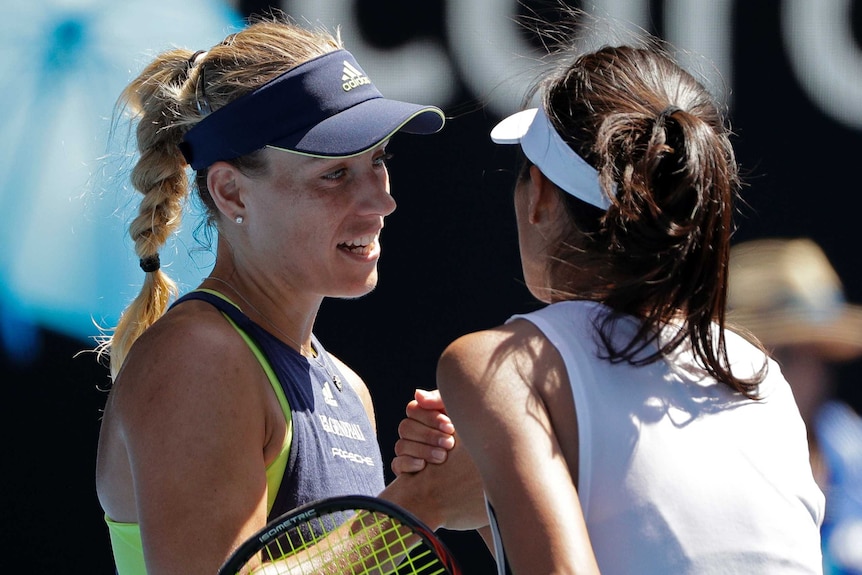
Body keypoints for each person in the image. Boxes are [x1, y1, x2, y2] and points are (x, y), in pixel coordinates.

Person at [394, 38, 826, 574]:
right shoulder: (765, 378)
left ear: (542, 198)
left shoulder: (501, 367)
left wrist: (428, 495)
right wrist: (495, 474)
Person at [94, 15, 484, 575]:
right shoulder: (199, 360)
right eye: (334, 174)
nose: (381, 201)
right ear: (231, 191)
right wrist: (423, 504)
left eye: (378, 162)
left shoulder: (348, 388)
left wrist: (468, 487)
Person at [727, 237, 862, 574]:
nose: (814, 374)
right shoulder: (710, 451)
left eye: (818, 354)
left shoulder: (848, 443)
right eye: (791, 353)